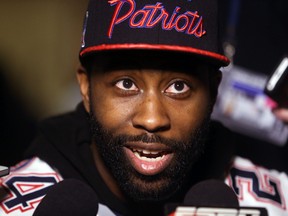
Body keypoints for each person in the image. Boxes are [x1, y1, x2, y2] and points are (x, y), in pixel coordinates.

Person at [0, 0, 288, 215]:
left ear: (213, 91)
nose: (152, 118)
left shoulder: (275, 202)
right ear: (86, 88)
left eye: (179, 86)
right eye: (126, 84)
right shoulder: (16, 205)